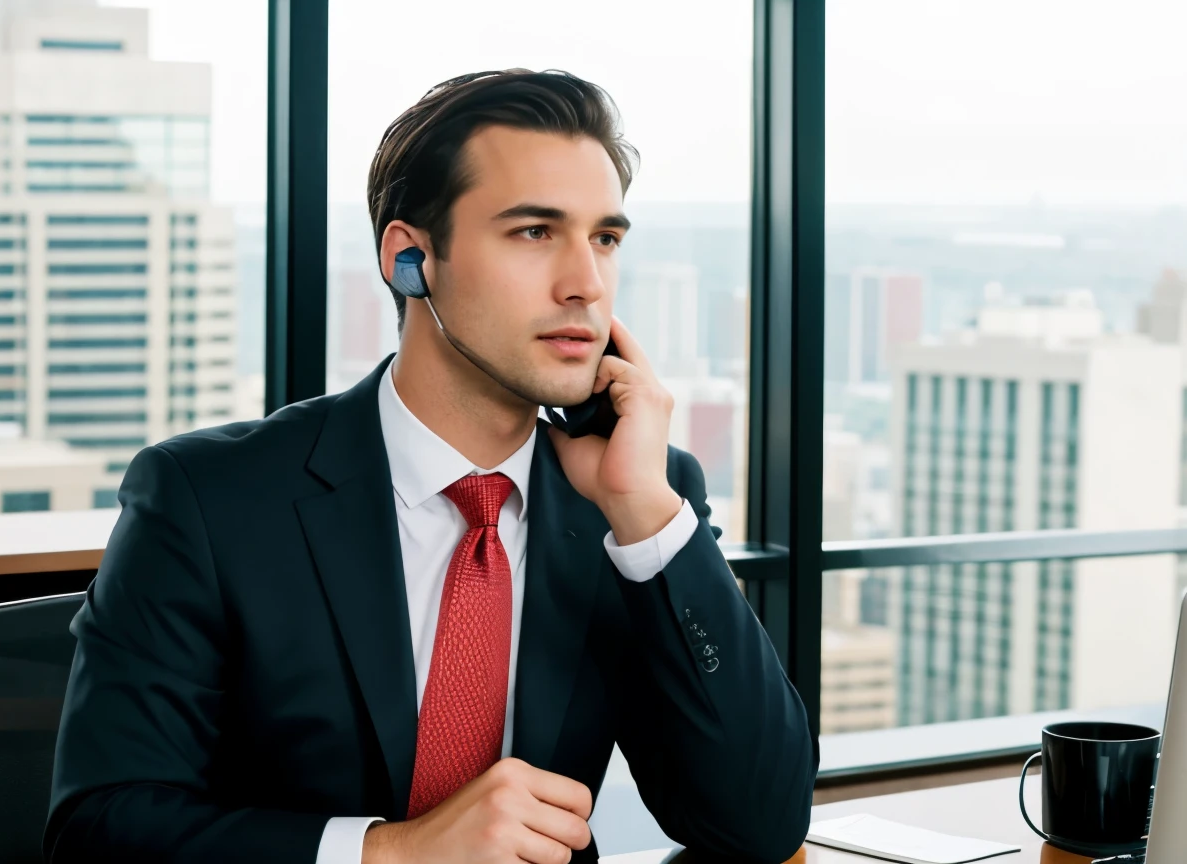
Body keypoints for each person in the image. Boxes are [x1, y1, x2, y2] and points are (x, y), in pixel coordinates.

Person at [45, 68, 816, 864]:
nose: (587, 284)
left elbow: (759, 824)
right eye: (534, 232)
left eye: (605, 239)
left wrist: (647, 516)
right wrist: (393, 854)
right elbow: (100, 830)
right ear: (411, 259)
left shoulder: (636, 497)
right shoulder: (210, 499)